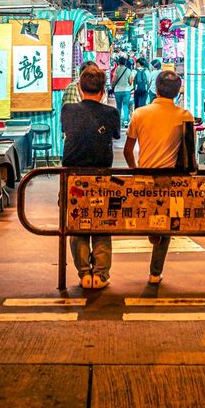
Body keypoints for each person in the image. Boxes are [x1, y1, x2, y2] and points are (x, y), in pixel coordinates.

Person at [123, 70, 194, 285]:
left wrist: (136, 171)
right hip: (171, 178)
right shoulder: (185, 115)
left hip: (144, 176)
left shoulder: (140, 114)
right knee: (166, 227)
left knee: (150, 220)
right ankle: (155, 272)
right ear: (177, 92)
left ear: (156, 89)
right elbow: (190, 151)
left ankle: (152, 233)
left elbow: (127, 150)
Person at [61, 66, 121, 290]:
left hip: (73, 177)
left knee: (77, 224)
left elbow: (66, 131)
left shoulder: (68, 110)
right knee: (102, 224)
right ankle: (101, 275)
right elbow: (115, 135)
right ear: (103, 90)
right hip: (102, 178)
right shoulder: (111, 113)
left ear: (79, 87)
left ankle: (84, 273)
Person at [111, 55, 133, 127]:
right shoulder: (129, 70)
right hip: (127, 90)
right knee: (125, 106)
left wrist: (112, 86)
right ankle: (126, 121)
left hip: (118, 91)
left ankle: (118, 121)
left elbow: (114, 80)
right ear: (125, 62)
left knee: (119, 106)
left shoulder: (116, 70)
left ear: (118, 62)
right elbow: (130, 82)